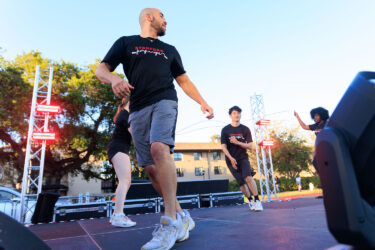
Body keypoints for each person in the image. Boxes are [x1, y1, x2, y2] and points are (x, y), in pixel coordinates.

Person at [96, 8, 213, 250]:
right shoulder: (126, 42)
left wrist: (202, 101)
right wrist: (115, 79)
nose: (166, 20)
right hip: (137, 109)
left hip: (165, 101)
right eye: (162, 15)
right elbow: (102, 69)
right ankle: (182, 216)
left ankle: (169, 223)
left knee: (160, 149)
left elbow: (183, 80)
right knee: (150, 169)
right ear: (149, 17)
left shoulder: (169, 50)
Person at [221, 106, 263, 212]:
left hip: (243, 158)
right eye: (234, 113)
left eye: (238, 113)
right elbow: (223, 147)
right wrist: (230, 158)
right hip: (231, 160)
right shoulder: (225, 130)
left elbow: (250, 146)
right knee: (241, 183)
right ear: (230, 115)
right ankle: (250, 201)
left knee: (248, 177)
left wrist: (237, 142)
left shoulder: (245, 129)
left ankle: (257, 201)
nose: (237, 115)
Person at [107, 97, 136, 228]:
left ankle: (116, 215)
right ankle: (118, 215)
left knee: (126, 181)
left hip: (119, 148)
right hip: (118, 148)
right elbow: (134, 134)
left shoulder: (125, 114)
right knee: (124, 181)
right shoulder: (125, 115)